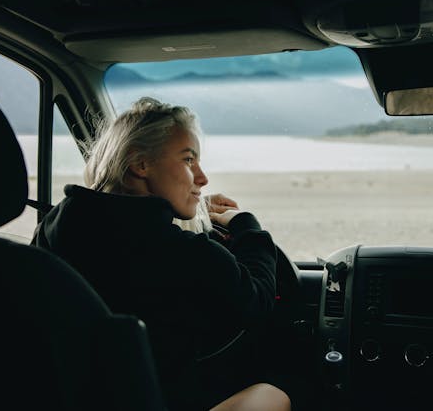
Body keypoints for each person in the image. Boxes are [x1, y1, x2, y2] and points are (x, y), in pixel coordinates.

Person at [32, 97, 290, 411]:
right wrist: (246, 226)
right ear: (141, 164)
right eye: (188, 160)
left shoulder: (54, 227)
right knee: (276, 391)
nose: (202, 177)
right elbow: (258, 300)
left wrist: (194, 208)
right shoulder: (178, 251)